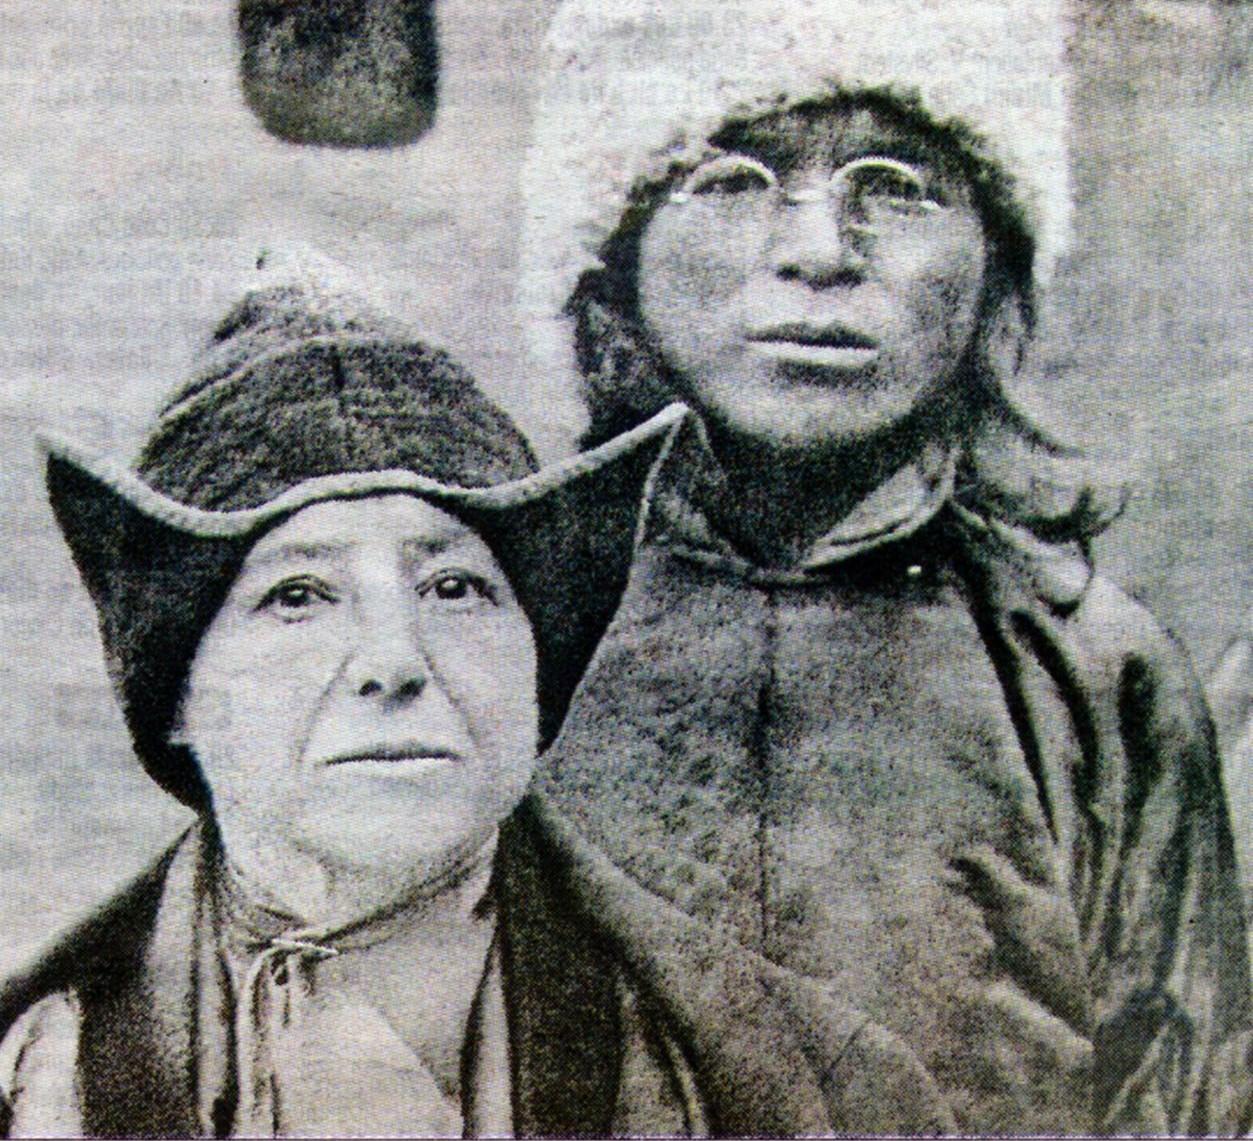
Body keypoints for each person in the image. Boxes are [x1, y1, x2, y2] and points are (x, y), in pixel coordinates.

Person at [519, 0, 1252, 1133]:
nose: (817, 254)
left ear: (994, 267)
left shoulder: (1092, 671)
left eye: (897, 186)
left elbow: (1190, 1100)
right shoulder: (504, 637)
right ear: (611, 266)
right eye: (730, 180)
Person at [0, 280, 959, 1137]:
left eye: (454, 588)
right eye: (296, 596)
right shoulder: (32, 1069)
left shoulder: (814, 1089)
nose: (393, 661)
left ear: (535, 666)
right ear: (176, 693)